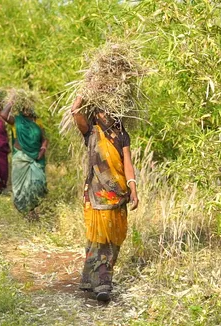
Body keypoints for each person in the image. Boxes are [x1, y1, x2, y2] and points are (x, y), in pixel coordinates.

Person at [71, 95, 139, 302]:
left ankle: (95, 279)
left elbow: (127, 163)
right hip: (96, 194)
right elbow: (75, 112)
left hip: (118, 195)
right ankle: (102, 283)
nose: (105, 115)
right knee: (100, 238)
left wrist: (133, 188)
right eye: (101, 111)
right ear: (95, 113)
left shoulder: (122, 134)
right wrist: (84, 95)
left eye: (109, 111)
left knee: (113, 239)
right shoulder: (91, 131)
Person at [1, 98, 48, 217]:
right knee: (20, 187)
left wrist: (42, 149)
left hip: (35, 158)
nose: (27, 110)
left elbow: (44, 138)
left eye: (29, 107)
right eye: (24, 107)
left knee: (38, 184)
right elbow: (3, 114)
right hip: (20, 159)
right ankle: (27, 212)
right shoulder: (16, 120)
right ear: (21, 108)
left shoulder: (37, 121)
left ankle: (32, 208)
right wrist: (12, 101)